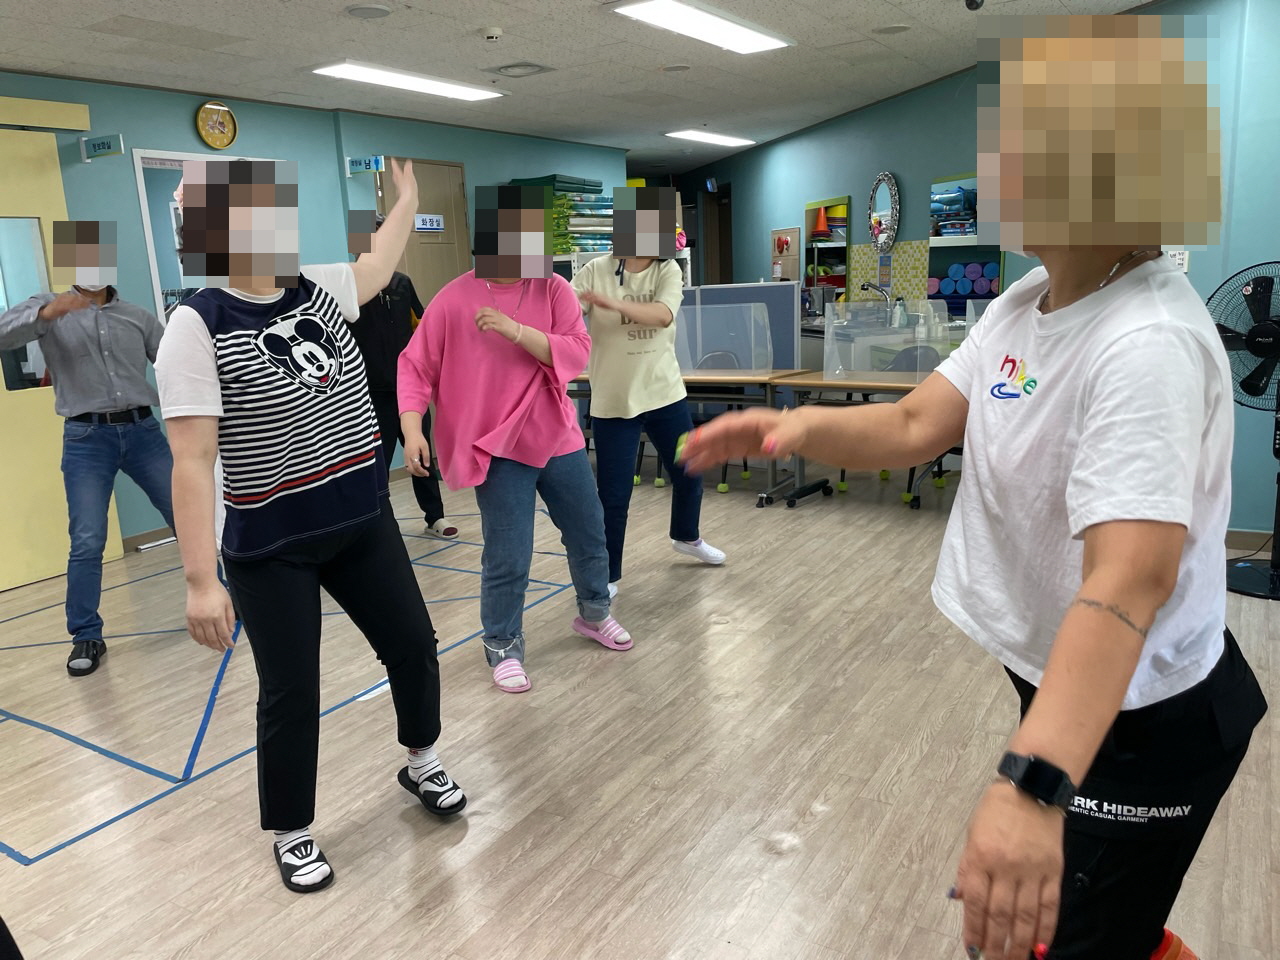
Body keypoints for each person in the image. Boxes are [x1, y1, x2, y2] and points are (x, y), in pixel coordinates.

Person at [681, 16, 1265, 960]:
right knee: (1087, 930)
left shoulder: (1146, 342)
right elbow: (919, 422)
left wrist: (1031, 786)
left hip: (1147, 718)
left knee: (1069, 939)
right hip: (1069, 684)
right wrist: (797, 427)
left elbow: (1129, 578)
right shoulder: (1027, 300)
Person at [156, 158, 465, 894]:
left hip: (361, 520)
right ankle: (291, 829)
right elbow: (192, 462)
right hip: (271, 549)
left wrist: (409, 198)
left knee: (413, 645)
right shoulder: (196, 325)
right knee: (291, 691)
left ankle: (421, 759)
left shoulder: (319, 286)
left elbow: (379, 262)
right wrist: (200, 581)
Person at [398, 185, 633, 694]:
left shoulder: (553, 288)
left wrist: (515, 330)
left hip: (556, 434)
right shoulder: (453, 298)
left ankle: (594, 612)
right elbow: (415, 365)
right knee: (509, 553)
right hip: (497, 445)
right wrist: (412, 428)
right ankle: (503, 644)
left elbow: (577, 351)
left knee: (589, 530)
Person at [0, 222, 175, 677]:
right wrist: (46, 314)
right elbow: (3, 336)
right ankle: (86, 635)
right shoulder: (47, 307)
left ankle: (232, 597)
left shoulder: (137, 316)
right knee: (88, 538)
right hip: (85, 438)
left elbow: (174, 365)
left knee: (190, 516)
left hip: (143, 431)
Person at [572, 186, 724, 598]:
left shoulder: (668, 270)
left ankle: (686, 536)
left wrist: (612, 304)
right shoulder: (595, 270)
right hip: (614, 400)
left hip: (664, 395)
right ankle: (608, 574)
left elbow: (661, 315)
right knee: (614, 495)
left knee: (689, 470)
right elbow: (566, 308)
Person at [349, 214, 457, 539]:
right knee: (376, 462)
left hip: (409, 389)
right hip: (369, 393)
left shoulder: (402, 283)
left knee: (421, 454)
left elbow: (421, 327)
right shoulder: (348, 283)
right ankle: (378, 525)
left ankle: (435, 517)